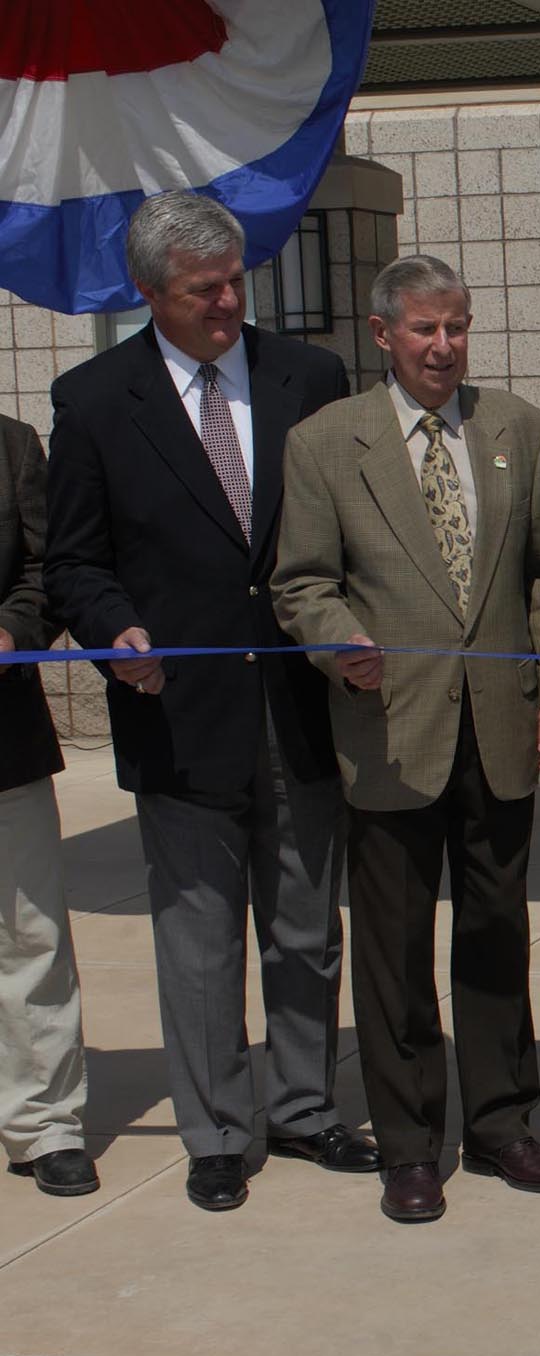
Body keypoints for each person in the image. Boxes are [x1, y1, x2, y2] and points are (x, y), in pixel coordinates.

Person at [44, 192, 375, 1212]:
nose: (228, 300)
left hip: (300, 706)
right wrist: (114, 636)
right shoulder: (96, 399)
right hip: (177, 716)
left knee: (308, 927)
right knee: (198, 938)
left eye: (236, 279)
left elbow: (351, 528)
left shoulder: (309, 379)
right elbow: (76, 560)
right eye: (203, 290)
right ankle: (218, 1131)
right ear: (149, 294)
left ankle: (304, 1106)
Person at [273, 254, 540, 1224]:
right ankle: (408, 1145)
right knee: (395, 951)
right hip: (389, 734)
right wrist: (336, 645)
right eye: (424, 330)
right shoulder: (326, 444)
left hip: (497, 726)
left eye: (458, 327)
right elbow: (302, 583)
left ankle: (500, 1125)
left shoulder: (518, 431)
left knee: (496, 936)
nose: (444, 347)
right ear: (382, 334)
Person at [1, 414, 95, 1199]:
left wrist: (10, 627)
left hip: (3, 738)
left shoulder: (13, 444)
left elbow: (47, 566)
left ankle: (45, 1123)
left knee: (28, 934)